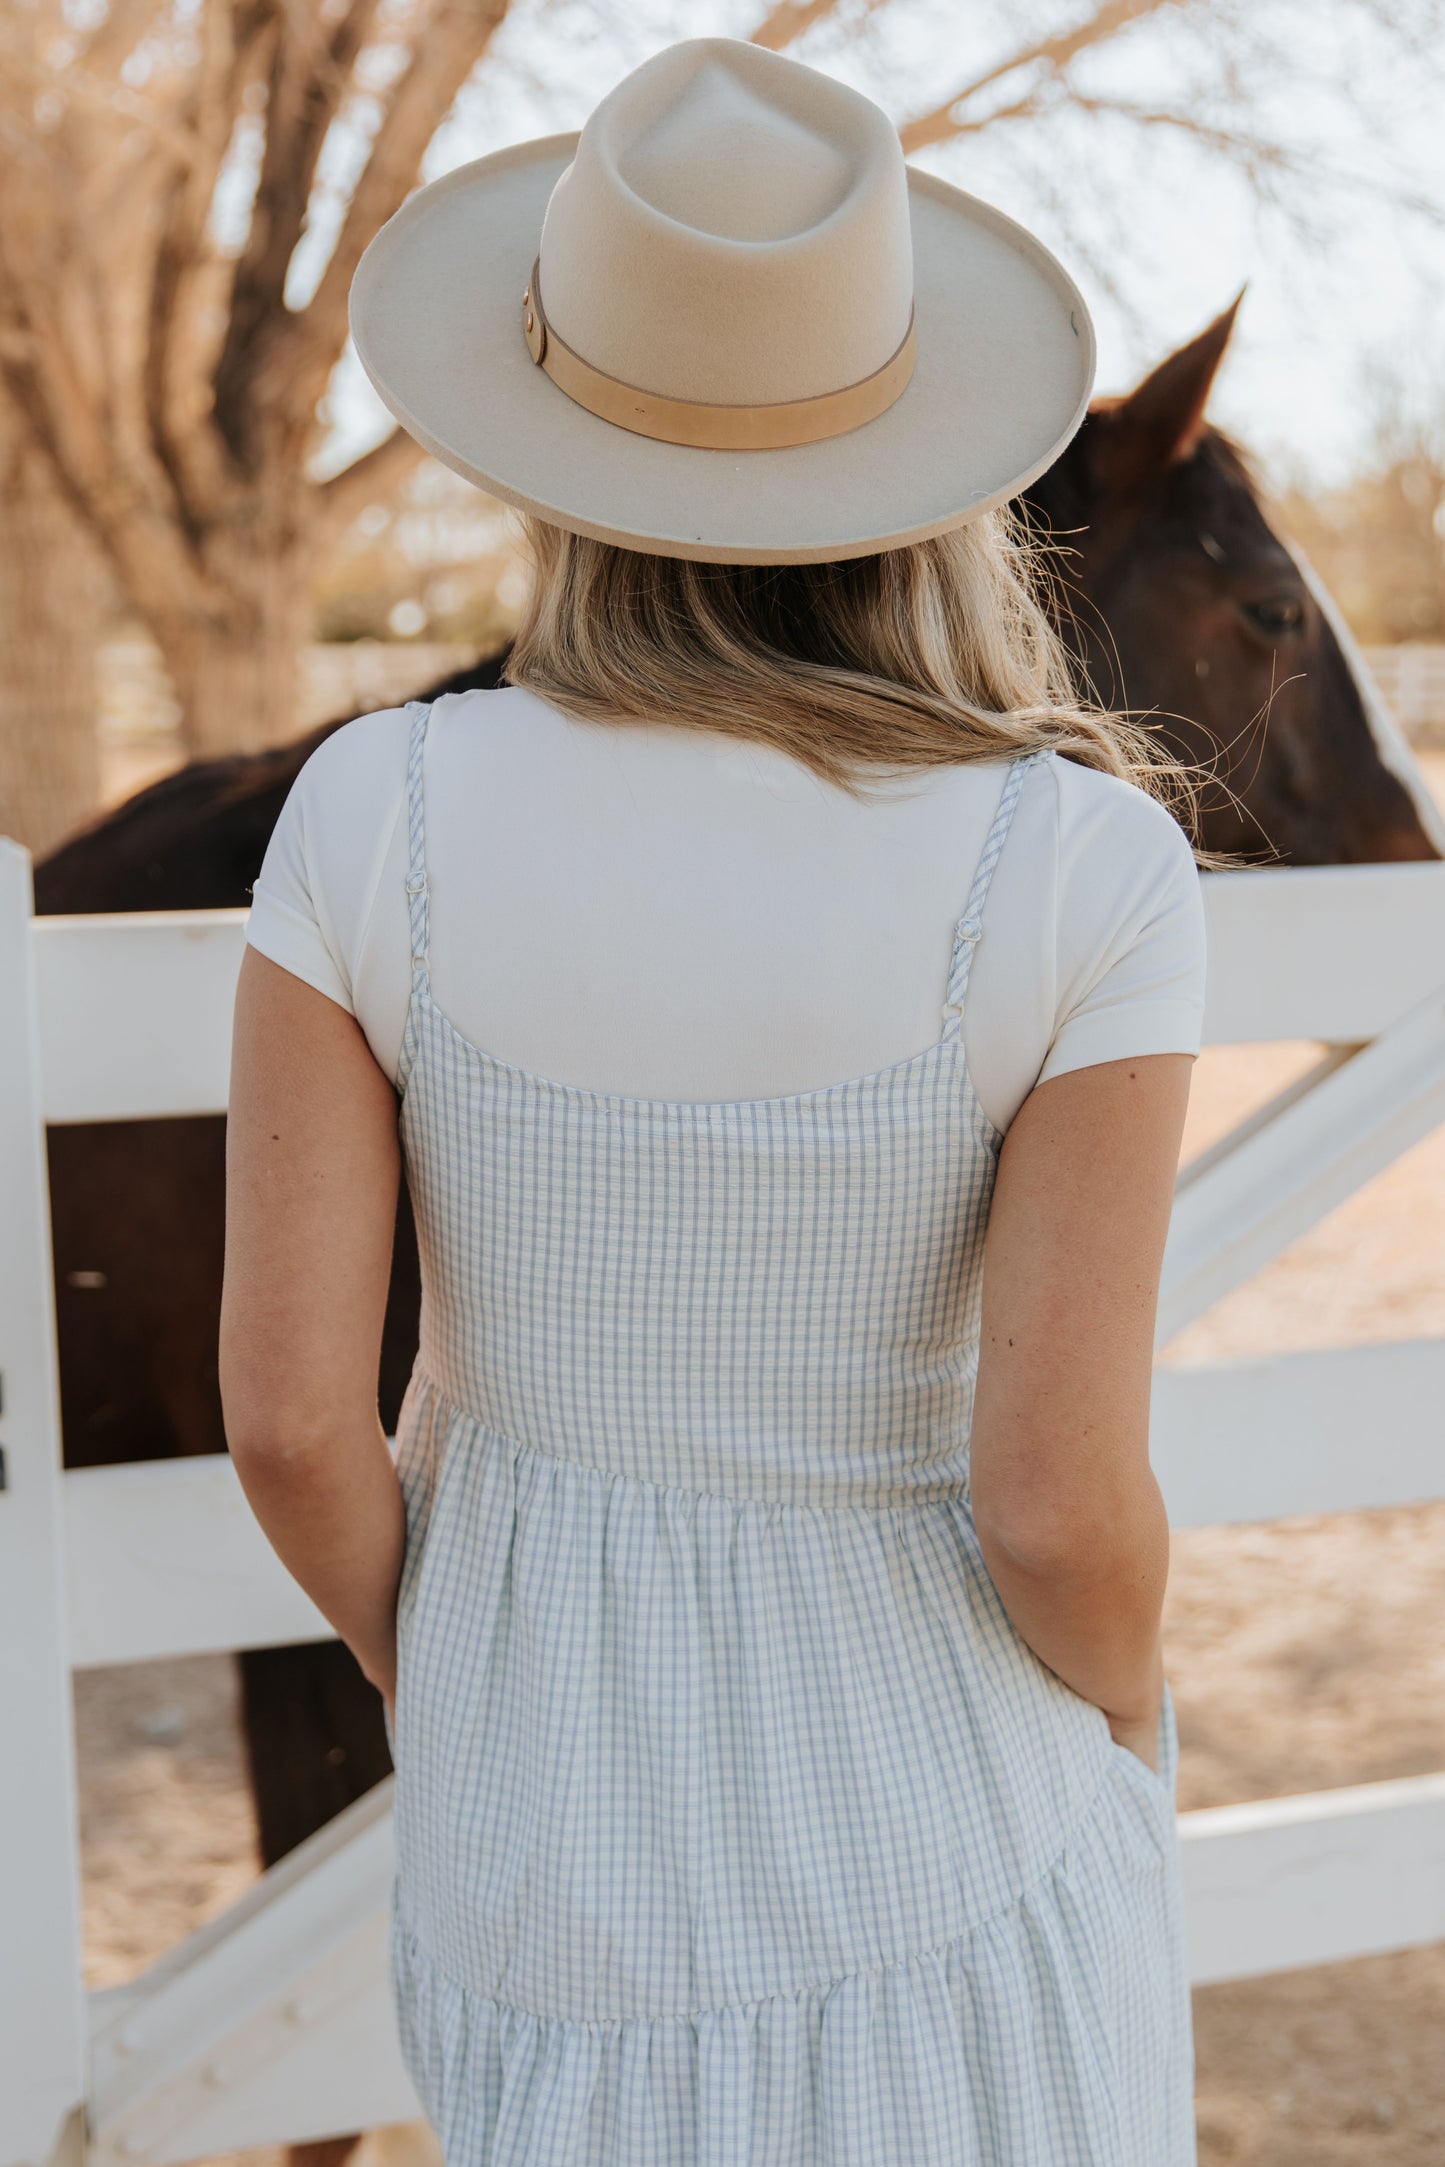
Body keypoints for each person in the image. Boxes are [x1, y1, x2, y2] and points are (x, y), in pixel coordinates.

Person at [221, 35, 1206, 2166]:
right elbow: (1053, 1504)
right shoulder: (1079, 866)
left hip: (535, 1870)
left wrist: (473, 1666)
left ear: (548, 442)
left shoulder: (375, 813)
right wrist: (1128, 1712)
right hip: (948, 1846)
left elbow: (296, 1421)